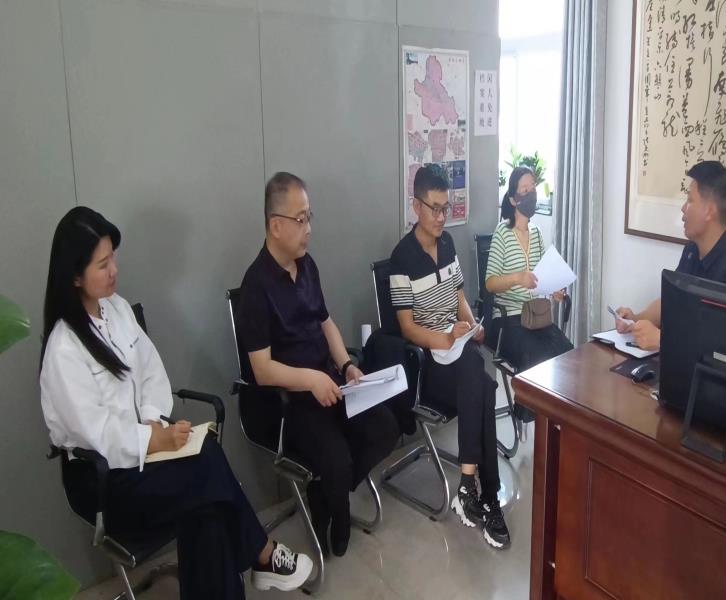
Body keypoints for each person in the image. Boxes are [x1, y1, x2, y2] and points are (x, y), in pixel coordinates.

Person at [39, 207, 311, 599]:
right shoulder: (64, 348)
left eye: (113, 257)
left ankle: (260, 558)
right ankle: (262, 554)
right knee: (206, 469)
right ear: (74, 276)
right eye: (102, 264)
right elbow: (96, 433)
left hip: (146, 453)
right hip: (102, 479)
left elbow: (152, 373)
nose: (114, 269)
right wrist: (153, 440)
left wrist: (153, 421)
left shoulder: (117, 309)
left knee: (206, 506)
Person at [237, 172, 399, 558]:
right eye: (300, 219)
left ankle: (326, 494)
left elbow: (326, 322)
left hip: (329, 381)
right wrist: (310, 379)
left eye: (310, 216)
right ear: (276, 225)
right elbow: (262, 369)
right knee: (336, 458)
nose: (308, 228)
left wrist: (346, 366)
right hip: (290, 402)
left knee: (385, 427)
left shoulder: (307, 265)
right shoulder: (255, 286)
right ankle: (334, 509)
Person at [389, 164, 510, 550]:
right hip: (428, 366)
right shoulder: (402, 258)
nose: (442, 217)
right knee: (481, 379)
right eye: (435, 208)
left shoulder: (448, 244)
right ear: (416, 206)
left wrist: (471, 325)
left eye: (447, 208)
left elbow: (458, 296)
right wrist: (443, 339)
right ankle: (480, 491)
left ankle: (477, 491)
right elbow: (407, 328)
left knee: (481, 381)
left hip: (458, 354)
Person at [616, 160, 726, 351]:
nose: (683, 208)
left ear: (709, 211)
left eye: (690, 200)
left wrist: (663, 340)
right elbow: (670, 302)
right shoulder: (691, 251)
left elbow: (724, 343)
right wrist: (636, 320)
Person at [484, 165, 573, 421]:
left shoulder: (536, 233)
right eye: (525, 189)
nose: (531, 193)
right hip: (508, 318)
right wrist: (516, 278)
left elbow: (541, 277)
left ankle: (553, 417)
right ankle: (527, 414)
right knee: (537, 356)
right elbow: (490, 284)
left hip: (535, 317)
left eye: (533, 187)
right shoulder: (502, 233)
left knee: (567, 355)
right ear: (513, 199)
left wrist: (553, 290)